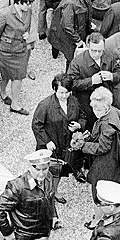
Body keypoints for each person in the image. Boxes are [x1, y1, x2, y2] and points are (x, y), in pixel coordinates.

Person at [69, 88, 120, 229]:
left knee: (98, 190)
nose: (94, 111)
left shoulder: (106, 125)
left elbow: (103, 148)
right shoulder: (113, 111)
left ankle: (97, 220)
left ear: (106, 106)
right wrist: (119, 136)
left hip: (106, 160)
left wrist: (83, 145)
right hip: (114, 156)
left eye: (97, 109)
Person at [0, 149, 58, 240]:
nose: (41, 173)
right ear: (30, 167)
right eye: (37, 169)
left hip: (44, 234)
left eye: (45, 169)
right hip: (26, 239)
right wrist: (7, 232)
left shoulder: (49, 177)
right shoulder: (17, 186)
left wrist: (54, 215)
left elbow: (49, 199)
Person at [32, 73, 86, 204]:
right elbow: (36, 125)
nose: (64, 96)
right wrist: (46, 141)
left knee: (59, 171)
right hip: (52, 146)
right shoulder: (45, 105)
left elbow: (83, 116)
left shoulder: (74, 101)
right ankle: (41, 195)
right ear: (54, 89)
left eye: (67, 92)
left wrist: (79, 124)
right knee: (45, 172)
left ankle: (54, 191)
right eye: (61, 92)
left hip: (67, 145)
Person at [0, 0, 35, 115]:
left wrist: (26, 34)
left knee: (19, 77)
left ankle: (15, 104)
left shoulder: (28, 11)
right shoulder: (5, 14)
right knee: (5, 76)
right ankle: (3, 93)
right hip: (7, 52)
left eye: (30, 3)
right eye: (26, 3)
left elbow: (27, 25)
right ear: (18, 1)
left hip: (21, 50)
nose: (28, 6)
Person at [67, 32, 120, 133]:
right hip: (87, 105)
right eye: (93, 51)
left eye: (100, 51)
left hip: (107, 102)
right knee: (90, 128)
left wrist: (112, 76)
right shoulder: (77, 62)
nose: (97, 54)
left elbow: (119, 72)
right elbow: (70, 84)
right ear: (88, 46)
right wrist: (91, 81)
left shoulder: (109, 56)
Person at [48, 0, 98, 69]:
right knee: (71, 58)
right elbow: (67, 25)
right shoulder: (71, 3)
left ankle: (55, 51)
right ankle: (68, 77)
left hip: (74, 27)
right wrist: (78, 41)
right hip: (69, 34)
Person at [0, 0, 38, 80]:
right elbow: (2, 9)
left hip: (28, 19)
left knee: (29, 45)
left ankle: (26, 67)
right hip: (15, 22)